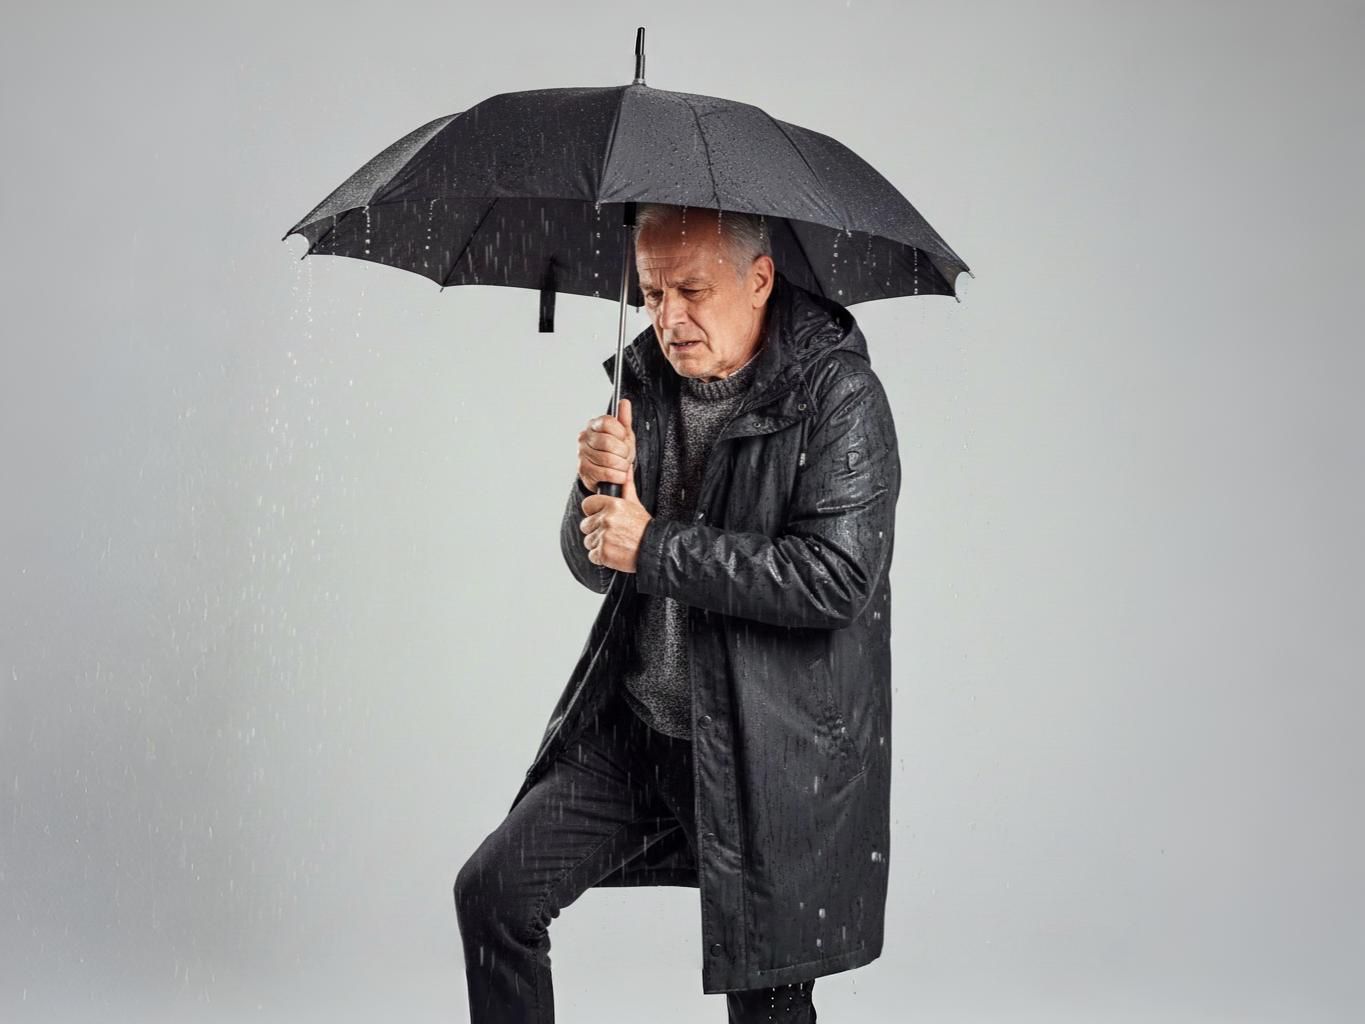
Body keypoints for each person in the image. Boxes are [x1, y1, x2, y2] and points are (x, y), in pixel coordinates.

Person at [455, 203, 901, 1023]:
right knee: (495, 896)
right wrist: (598, 483)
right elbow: (594, 565)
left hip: (763, 751)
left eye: (692, 290)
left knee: (765, 998)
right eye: (652, 290)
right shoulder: (646, 385)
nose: (669, 316)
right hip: (637, 737)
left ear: (759, 279)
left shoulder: (840, 398)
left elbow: (836, 579)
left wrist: (654, 544)